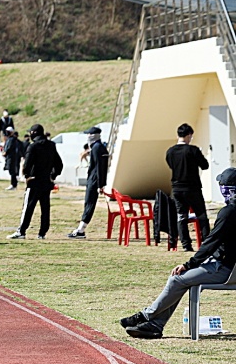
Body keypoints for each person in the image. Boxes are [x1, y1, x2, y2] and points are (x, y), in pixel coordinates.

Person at [120, 168, 236, 339]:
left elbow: (211, 243)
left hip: (226, 269)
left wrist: (188, 264)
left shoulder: (229, 212)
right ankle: (154, 326)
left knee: (178, 278)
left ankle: (147, 316)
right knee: (183, 280)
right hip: (230, 266)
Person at [8, 124, 63, 240]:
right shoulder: (51, 145)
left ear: (33, 133)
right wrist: (52, 175)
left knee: (28, 207)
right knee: (45, 208)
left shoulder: (33, 146)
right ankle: (42, 233)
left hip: (34, 181)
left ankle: (21, 231)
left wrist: (27, 176)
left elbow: (27, 164)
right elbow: (59, 164)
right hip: (46, 181)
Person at [167, 123, 210, 251]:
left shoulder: (170, 151)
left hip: (177, 188)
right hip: (192, 188)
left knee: (181, 216)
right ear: (189, 135)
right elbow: (205, 165)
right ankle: (206, 243)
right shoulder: (193, 150)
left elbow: (171, 165)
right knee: (201, 215)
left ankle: (186, 244)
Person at [68, 127, 109, 238]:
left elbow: (100, 168)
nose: (87, 137)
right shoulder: (98, 147)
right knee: (88, 203)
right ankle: (80, 229)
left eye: (89, 134)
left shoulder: (97, 148)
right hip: (94, 179)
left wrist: (100, 184)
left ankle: (81, 229)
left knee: (89, 203)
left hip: (94, 180)